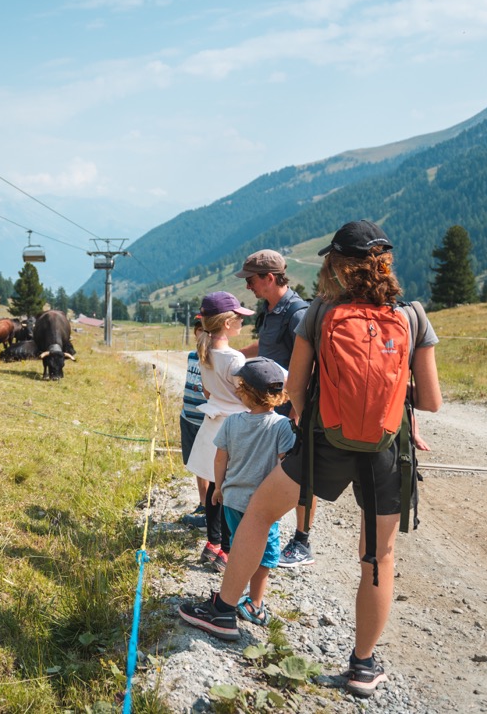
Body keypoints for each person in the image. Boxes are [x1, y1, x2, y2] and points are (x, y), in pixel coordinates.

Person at [178, 220, 442, 699]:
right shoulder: (413, 316)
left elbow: (294, 388)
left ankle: (222, 610)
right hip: (387, 448)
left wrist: (312, 415)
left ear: (335, 264)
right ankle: (362, 665)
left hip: (324, 442)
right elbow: (431, 401)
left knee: (258, 511)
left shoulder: (320, 312)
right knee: (378, 555)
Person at [203, 358, 296, 628]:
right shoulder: (281, 426)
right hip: (265, 507)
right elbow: (283, 464)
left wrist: (218, 487)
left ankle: (232, 594)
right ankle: (255, 603)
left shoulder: (232, 423)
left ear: (245, 392)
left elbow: (220, 459)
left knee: (242, 548)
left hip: (232, 500)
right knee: (265, 555)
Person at [237, 249, 314, 568]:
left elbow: (310, 363)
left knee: (300, 475)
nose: (248, 287)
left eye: (252, 280)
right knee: (275, 475)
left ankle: (302, 541)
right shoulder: (271, 310)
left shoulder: (298, 312)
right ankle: (266, 532)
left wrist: (299, 408)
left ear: (269, 278)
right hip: (271, 408)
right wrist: (232, 354)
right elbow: (268, 348)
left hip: (289, 410)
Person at [185, 291, 254, 571]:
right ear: (227, 323)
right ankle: (227, 549)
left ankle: (212, 543)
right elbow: (246, 395)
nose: (242, 322)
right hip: (236, 428)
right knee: (232, 490)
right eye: (238, 317)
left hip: (213, 425)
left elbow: (209, 390)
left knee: (215, 485)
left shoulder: (205, 353)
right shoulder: (234, 358)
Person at [179, 316, 210, 529]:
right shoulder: (191, 357)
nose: (201, 335)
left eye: (205, 331)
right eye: (199, 330)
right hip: (187, 417)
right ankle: (202, 503)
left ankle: (211, 509)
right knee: (196, 465)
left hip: (205, 421)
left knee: (209, 466)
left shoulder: (215, 360)